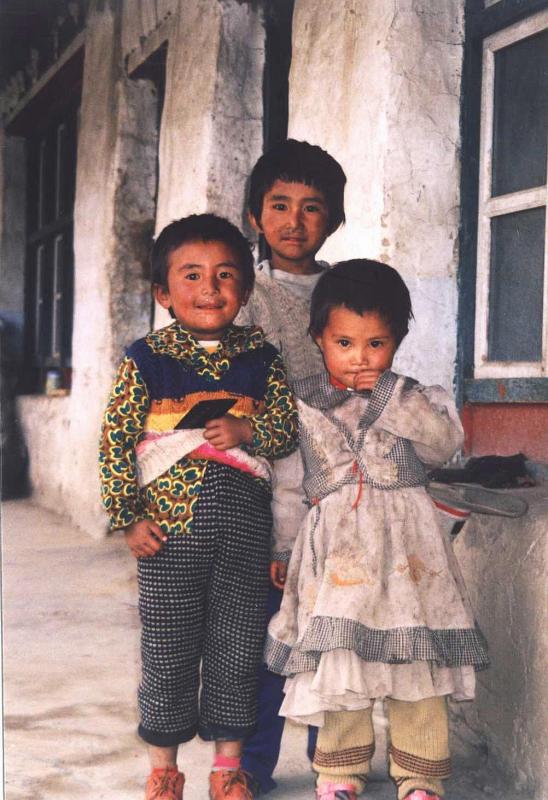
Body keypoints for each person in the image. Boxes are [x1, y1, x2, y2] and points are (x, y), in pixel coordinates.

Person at [265, 260, 490, 800]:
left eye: (376, 344)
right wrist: (284, 547)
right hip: (339, 557)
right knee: (343, 661)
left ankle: (421, 776)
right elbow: (290, 485)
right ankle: (340, 773)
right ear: (318, 338)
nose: (360, 358)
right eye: (344, 343)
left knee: (418, 662)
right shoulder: (300, 403)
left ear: (397, 342)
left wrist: (391, 396)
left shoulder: (412, 397)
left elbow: (442, 445)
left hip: (410, 557)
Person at [99, 214, 298, 800]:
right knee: (168, 652)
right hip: (167, 537)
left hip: (244, 537)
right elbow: (115, 442)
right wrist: (129, 517)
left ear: (246, 288)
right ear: (163, 293)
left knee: (238, 651)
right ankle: (163, 770)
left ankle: (227, 770)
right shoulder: (146, 359)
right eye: (191, 275)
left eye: (225, 275)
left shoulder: (262, 358)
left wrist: (247, 430)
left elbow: (286, 431)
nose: (209, 288)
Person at [236, 139, 347, 795]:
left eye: (312, 207)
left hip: (339, 487)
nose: (295, 221)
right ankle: (251, 763)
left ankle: (333, 763)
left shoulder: (348, 292)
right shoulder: (243, 295)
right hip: (265, 485)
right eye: (279, 205)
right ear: (255, 215)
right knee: (264, 633)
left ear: (333, 218)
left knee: (332, 630)